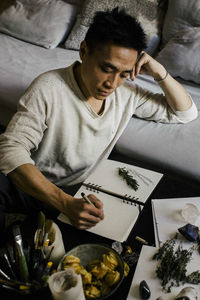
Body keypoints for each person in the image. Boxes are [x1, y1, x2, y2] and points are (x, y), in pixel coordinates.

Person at [0, 8, 198, 232]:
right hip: (33, 183)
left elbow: (185, 112)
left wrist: (159, 71)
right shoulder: (48, 88)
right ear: (84, 51)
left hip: (78, 188)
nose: (112, 84)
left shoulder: (126, 94)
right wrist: (64, 202)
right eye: (107, 69)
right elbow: (10, 150)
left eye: (124, 73)